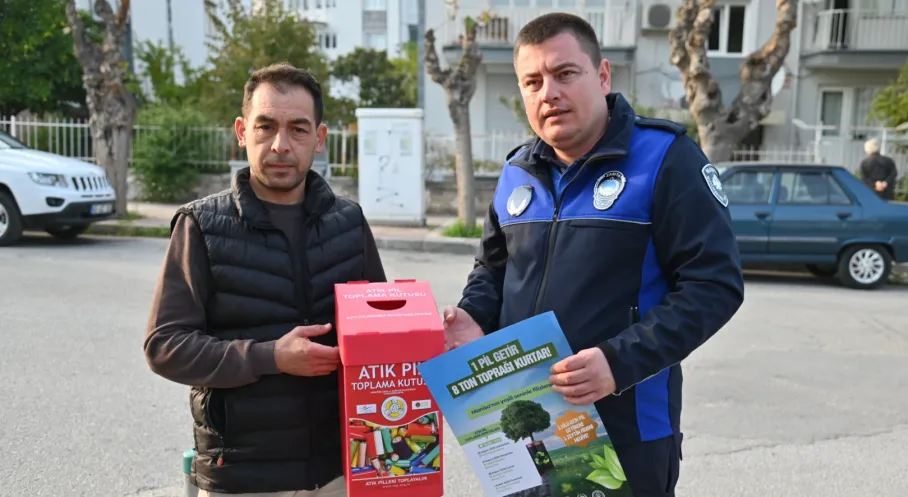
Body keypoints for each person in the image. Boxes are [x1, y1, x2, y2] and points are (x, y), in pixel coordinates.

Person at [441, 13, 744, 497]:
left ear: (602, 76)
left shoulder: (666, 159)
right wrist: (475, 315)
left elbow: (715, 286)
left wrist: (617, 362)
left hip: (627, 430)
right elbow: (493, 269)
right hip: (526, 419)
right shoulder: (516, 171)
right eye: (532, 81)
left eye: (565, 74)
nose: (549, 93)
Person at [143, 63, 386, 497]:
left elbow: (382, 334)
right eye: (265, 126)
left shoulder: (349, 222)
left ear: (320, 138)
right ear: (241, 131)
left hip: (341, 470)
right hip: (243, 476)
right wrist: (271, 356)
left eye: (297, 129)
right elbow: (166, 346)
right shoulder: (201, 225)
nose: (280, 146)